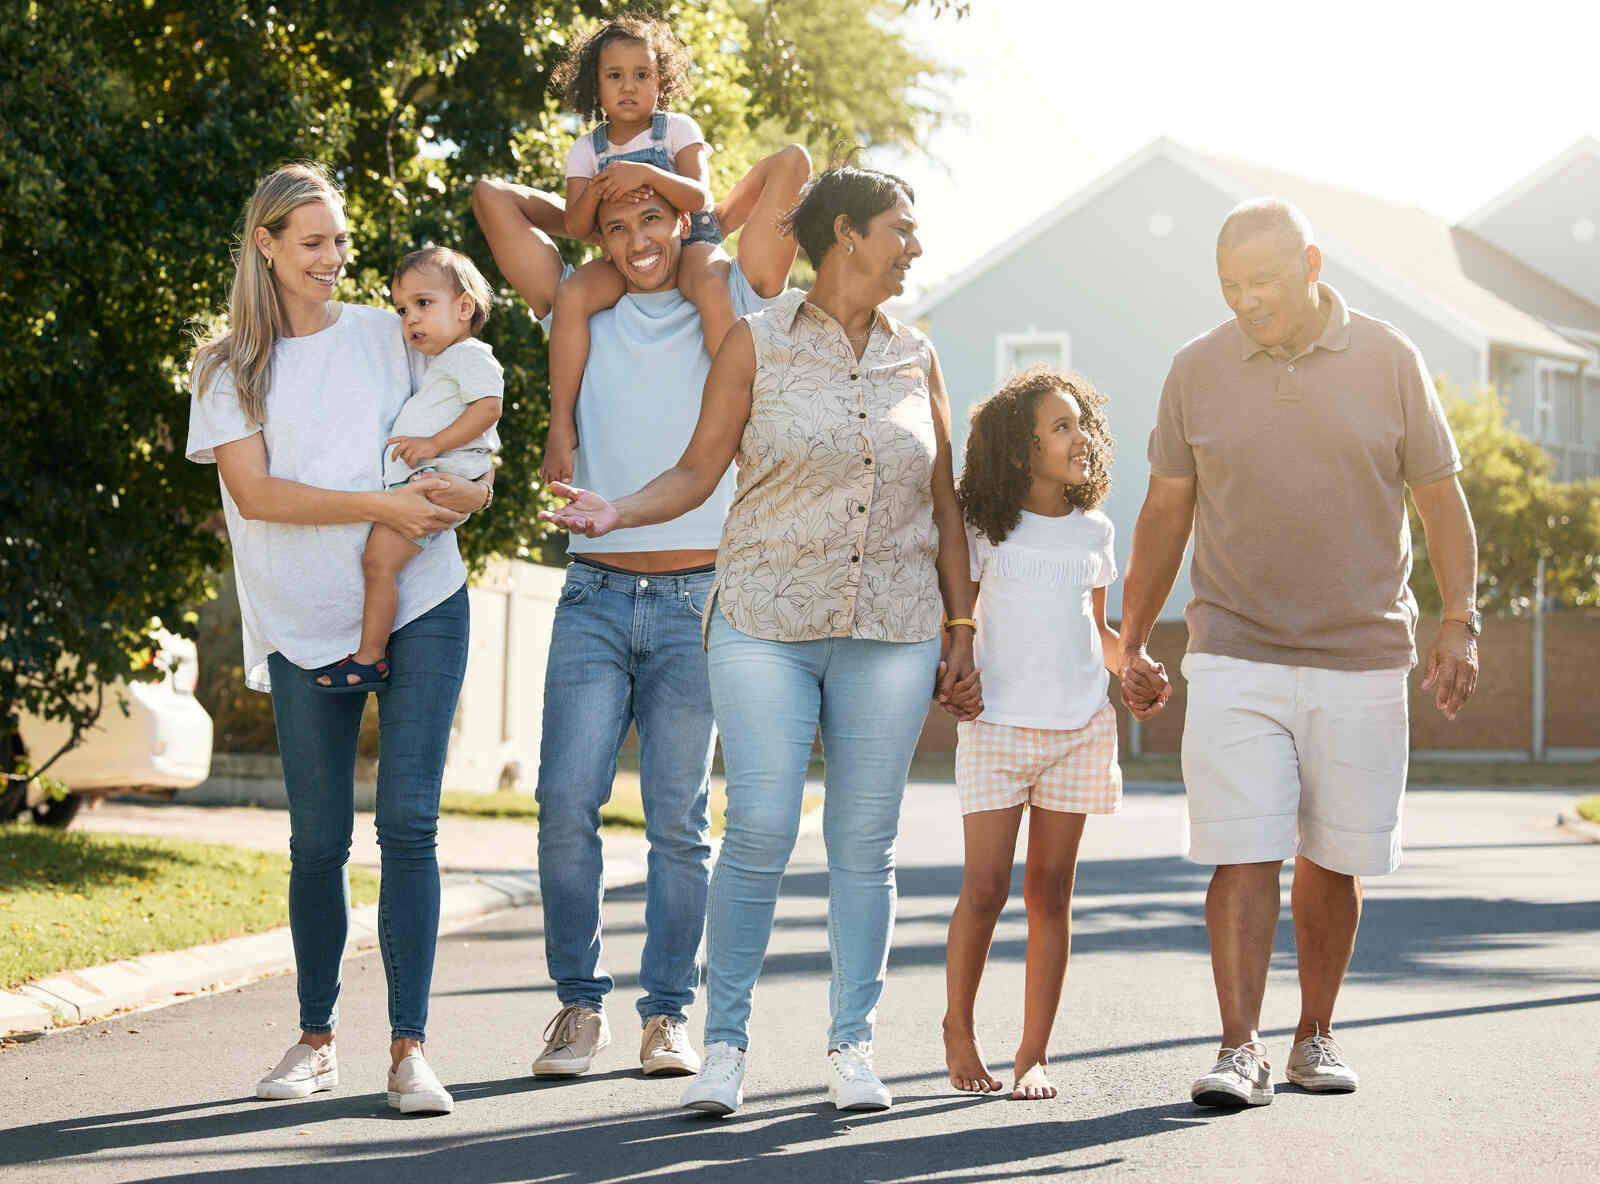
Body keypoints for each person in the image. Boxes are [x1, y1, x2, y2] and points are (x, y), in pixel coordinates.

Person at [539, 165, 982, 1118]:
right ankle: (726, 1048)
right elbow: (701, 470)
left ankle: (853, 1046)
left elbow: (942, 505)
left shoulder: (920, 356)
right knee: (764, 831)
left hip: (892, 626)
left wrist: (960, 626)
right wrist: (617, 509)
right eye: (901, 228)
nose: (916, 246)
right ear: (847, 236)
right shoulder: (757, 342)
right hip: (763, 620)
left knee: (866, 844)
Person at [1117, 198, 1481, 1109]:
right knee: (1242, 850)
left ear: (1312, 262)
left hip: (1361, 652)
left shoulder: (1389, 357)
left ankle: (1314, 1034)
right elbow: (1166, 513)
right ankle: (1239, 1048)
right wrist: (1130, 639)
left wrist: (1460, 619)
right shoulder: (1195, 370)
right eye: (1231, 287)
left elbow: (1439, 499)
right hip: (1235, 644)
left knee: (1334, 854)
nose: (1247, 302)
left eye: (1264, 284)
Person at [473, 144, 812, 1082]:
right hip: (593, 590)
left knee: (677, 819)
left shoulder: (732, 290)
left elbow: (790, 164)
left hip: (698, 595)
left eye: (650, 220)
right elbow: (490, 199)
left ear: (681, 220)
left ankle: (669, 1014)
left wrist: (689, 198)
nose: (635, 241)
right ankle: (580, 1010)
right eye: (616, 228)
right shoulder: (577, 301)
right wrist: (586, 204)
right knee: (563, 809)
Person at [186, 162, 492, 1116]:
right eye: (313, 242)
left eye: (341, 241)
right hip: (300, 620)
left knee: (407, 823)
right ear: (266, 245)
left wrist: (475, 489)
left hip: (421, 598)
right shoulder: (227, 365)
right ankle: (316, 1038)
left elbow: (464, 419)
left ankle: (409, 1051)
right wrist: (379, 502)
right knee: (317, 842)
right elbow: (258, 494)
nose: (335, 259)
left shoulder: (385, 334)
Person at [940, 366, 1146, 1102]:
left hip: (1079, 728)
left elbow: (1098, 631)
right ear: (1021, 452)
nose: (1080, 437)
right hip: (996, 727)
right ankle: (958, 1027)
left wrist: (1136, 667)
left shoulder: (1096, 530)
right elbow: (956, 624)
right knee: (987, 889)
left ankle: (1033, 1055)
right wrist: (950, 673)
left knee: (1050, 893)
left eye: (1080, 423)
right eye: (1061, 428)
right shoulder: (982, 528)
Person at [543, 15, 755, 486]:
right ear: (594, 85)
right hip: (623, 256)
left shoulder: (677, 128)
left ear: (663, 80)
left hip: (689, 240)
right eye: (614, 76)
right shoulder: (586, 149)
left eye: (643, 75)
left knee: (713, 290)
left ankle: (739, 411)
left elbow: (698, 198)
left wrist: (645, 176)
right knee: (572, 296)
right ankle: (560, 424)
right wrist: (600, 190)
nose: (629, 87)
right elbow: (577, 226)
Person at [315, 246, 503, 692]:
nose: (410, 319)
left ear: (463, 307)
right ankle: (370, 655)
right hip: (431, 478)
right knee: (377, 563)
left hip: (436, 482)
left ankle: (369, 658)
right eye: (402, 309)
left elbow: (489, 409)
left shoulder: (471, 355)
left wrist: (433, 445)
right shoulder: (447, 361)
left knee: (378, 563)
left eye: (423, 303)